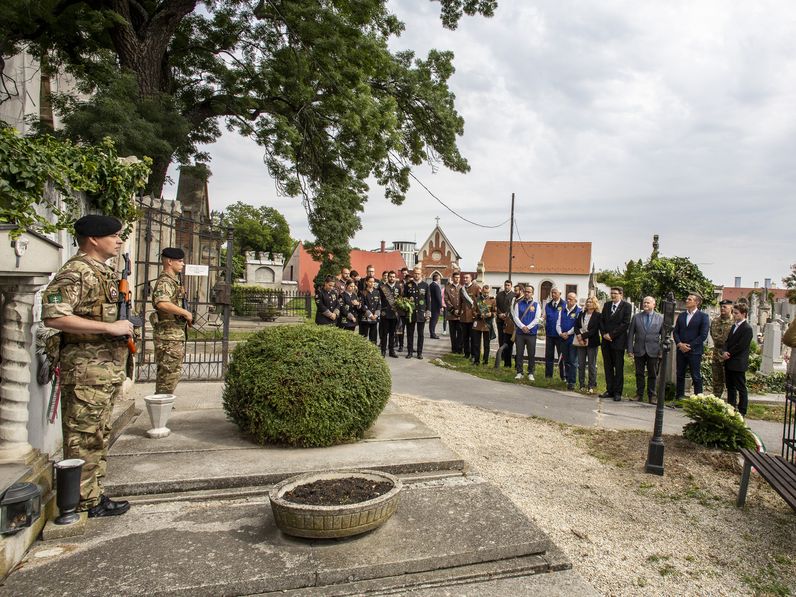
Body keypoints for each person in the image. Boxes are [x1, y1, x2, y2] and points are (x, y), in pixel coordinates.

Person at [42, 215, 133, 518]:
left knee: (96, 434)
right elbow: (54, 316)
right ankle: (80, 502)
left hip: (102, 372)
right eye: (114, 235)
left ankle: (91, 497)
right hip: (85, 371)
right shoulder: (76, 271)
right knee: (83, 437)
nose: (119, 240)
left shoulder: (103, 271)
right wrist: (109, 329)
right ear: (93, 239)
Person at [151, 247, 192, 396]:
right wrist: (185, 312)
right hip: (168, 335)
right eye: (180, 261)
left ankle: (164, 402)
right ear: (169, 261)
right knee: (168, 374)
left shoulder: (173, 282)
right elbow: (162, 303)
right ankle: (161, 405)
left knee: (171, 373)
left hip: (174, 334)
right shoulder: (165, 282)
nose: (183, 264)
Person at [673, 292, 710, 398]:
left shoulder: (703, 316)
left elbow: (703, 335)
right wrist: (679, 344)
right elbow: (676, 331)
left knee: (696, 375)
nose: (687, 301)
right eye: (687, 299)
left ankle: (698, 398)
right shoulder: (682, 315)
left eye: (690, 299)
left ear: (697, 302)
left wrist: (689, 346)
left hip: (694, 351)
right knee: (680, 374)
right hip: (681, 350)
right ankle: (679, 397)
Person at [627, 296, 663, 402]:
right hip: (639, 349)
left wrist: (661, 351)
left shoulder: (660, 318)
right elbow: (630, 334)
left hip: (653, 350)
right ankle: (639, 394)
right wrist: (630, 349)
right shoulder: (636, 317)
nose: (645, 304)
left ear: (653, 305)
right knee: (639, 373)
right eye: (644, 303)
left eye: (648, 303)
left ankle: (652, 396)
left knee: (652, 374)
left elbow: (664, 336)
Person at [600, 286, 632, 401]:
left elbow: (625, 323)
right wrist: (604, 334)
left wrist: (611, 335)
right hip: (606, 342)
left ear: (621, 294)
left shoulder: (626, 306)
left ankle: (618, 392)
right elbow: (602, 320)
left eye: (615, 293)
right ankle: (609, 390)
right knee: (608, 367)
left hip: (618, 342)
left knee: (618, 367)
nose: (613, 295)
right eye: (612, 293)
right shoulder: (607, 305)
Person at [722, 303, 753, 415]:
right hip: (729, 361)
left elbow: (741, 346)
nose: (734, 315)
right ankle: (731, 408)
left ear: (743, 314)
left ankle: (742, 410)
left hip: (738, 362)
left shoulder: (747, 328)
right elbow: (727, 341)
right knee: (730, 387)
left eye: (736, 313)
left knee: (741, 388)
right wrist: (724, 351)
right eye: (733, 313)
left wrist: (728, 353)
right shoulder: (734, 326)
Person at [511, 284, 541, 380]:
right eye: (526, 291)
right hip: (520, 333)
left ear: (532, 293)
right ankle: (519, 372)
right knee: (519, 353)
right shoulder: (518, 304)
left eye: (529, 292)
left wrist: (528, 327)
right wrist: (522, 326)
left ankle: (531, 372)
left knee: (531, 353)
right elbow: (515, 317)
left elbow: (537, 319)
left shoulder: (536, 305)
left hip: (531, 333)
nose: (527, 293)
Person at [574, 296, 602, 394]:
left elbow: (595, 330)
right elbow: (576, 326)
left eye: (590, 302)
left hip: (592, 342)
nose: (588, 303)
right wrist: (579, 336)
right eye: (587, 302)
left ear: (595, 304)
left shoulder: (598, 315)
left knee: (591, 365)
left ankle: (591, 385)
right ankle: (581, 384)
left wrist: (583, 336)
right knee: (581, 364)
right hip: (580, 342)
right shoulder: (581, 314)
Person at [402, 267, 431, 359]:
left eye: (418, 273)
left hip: (421, 313)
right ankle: (410, 352)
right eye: (415, 273)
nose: (416, 275)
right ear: (412, 274)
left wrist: (428, 313)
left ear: (421, 274)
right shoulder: (408, 285)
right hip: (411, 313)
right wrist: (407, 302)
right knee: (410, 333)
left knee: (420, 334)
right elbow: (403, 298)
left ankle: (419, 353)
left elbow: (428, 300)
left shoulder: (425, 285)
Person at [710, 299, 735, 398]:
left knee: (730, 381)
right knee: (716, 379)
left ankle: (731, 403)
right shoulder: (715, 321)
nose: (722, 308)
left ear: (731, 308)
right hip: (717, 353)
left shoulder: (734, 322)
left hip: (729, 354)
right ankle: (716, 400)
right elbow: (713, 335)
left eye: (725, 307)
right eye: (721, 307)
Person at [556, 292, 581, 391]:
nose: (569, 300)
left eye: (571, 299)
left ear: (575, 300)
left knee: (573, 361)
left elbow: (577, 325)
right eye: (568, 299)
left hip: (572, 339)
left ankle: (572, 382)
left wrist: (568, 333)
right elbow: (558, 323)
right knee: (566, 360)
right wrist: (561, 333)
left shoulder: (579, 311)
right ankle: (567, 378)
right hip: (563, 339)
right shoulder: (562, 310)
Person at [471, 284, 497, 365]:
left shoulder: (492, 300)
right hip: (478, 323)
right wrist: (478, 315)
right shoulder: (477, 299)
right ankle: (476, 360)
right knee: (476, 343)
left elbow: (495, 312)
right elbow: (473, 311)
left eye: (487, 293)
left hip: (487, 324)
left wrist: (491, 314)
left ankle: (485, 361)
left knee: (486, 344)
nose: (486, 294)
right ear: (482, 291)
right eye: (484, 292)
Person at [544, 288, 565, 379]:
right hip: (550, 334)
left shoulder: (564, 304)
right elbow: (546, 317)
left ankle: (563, 376)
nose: (553, 295)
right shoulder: (548, 305)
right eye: (552, 293)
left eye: (555, 293)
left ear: (560, 293)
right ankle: (548, 375)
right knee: (549, 355)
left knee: (561, 356)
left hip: (560, 335)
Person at [379, 270, 400, 357]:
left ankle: (391, 351)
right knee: (384, 334)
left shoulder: (398, 287)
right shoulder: (382, 287)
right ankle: (383, 351)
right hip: (385, 314)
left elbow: (400, 300)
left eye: (393, 277)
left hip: (394, 314)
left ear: (395, 278)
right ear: (387, 277)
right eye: (390, 276)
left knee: (392, 334)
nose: (391, 278)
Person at [459, 273, 480, 360]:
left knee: (473, 337)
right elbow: (460, 302)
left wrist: (478, 313)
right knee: (465, 337)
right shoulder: (462, 289)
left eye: (467, 278)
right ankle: (466, 354)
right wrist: (459, 311)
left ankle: (473, 355)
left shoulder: (476, 288)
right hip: (464, 316)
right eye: (464, 278)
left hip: (472, 316)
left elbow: (479, 301)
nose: (465, 279)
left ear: (471, 279)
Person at [495, 280, 514, 368]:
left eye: (508, 285)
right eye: (505, 285)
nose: (506, 287)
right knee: (501, 337)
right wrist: (499, 314)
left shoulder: (513, 295)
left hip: (509, 321)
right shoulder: (499, 294)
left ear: (511, 286)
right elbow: (496, 306)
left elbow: (512, 307)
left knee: (507, 339)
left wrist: (506, 315)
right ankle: (501, 355)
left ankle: (507, 356)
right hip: (500, 319)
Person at [359, 275, 380, 343]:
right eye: (370, 282)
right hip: (365, 318)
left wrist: (376, 315)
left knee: (373, 338)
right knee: (363, 338)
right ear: (366, 282)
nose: (372, 283)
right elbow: (362, 305)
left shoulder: (377, 292)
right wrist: (370, 315)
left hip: (374, 318)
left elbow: (379, 304)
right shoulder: (362, 292)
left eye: (373, 282)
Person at [444, 271, 462, 353]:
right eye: (455, 277)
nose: (457, 279)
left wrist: (460, 310)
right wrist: (453, 310)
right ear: (453, 278)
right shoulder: (447, 288)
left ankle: (459, 348)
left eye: (458, 277)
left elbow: (464, 301)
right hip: (451, 314)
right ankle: (453, 348)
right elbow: (446, 300)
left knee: (460, 332)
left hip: (460, 315)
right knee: (452, 333)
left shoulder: (462, 288)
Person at [429, 273, 443, 339]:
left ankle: (432, 333)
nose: (440, 280)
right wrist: (441, 306)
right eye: (439, 279)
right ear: (437, 279)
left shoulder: (431, 285)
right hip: (435, 306)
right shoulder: (436, 286)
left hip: (431, 305)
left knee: (432, 320)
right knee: (434, 320)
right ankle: (433, 333)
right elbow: (438, 297)